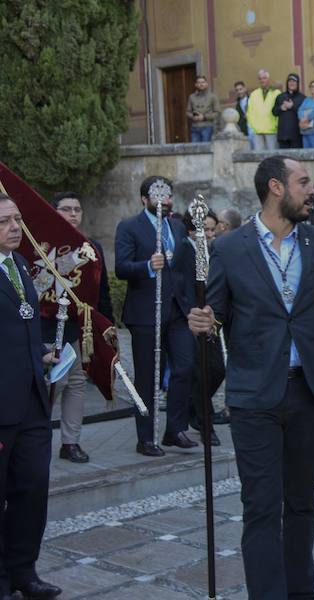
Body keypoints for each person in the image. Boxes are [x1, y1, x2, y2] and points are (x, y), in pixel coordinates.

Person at [187, 155, 314, 599]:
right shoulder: (229, 248)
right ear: (276, 188)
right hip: (253, 396)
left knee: (302, 504)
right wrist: (203, 324)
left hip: (308, 392)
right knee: (260, 508)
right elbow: (215, 316)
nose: (312, 189)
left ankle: (302, 593)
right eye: (303, 181)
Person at [0, 194, 63, 600]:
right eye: (4, 220)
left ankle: (24, 571)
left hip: (32, 403)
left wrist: (42, 353)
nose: (13, 227)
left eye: (17, 219)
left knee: (33, 489)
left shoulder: (20, 264)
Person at [114, 176, 196, 457]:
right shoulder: (129, 227)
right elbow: (122, 267)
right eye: (157, 195)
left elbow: (184, 268)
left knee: (185, 366)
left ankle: (174, 428)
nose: (164, 200)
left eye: (168, 195)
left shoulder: (176, 226)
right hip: (146, 312)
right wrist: (148, 266)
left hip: (177, 310)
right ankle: (145, 437)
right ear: (144, 199)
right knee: (148, 376)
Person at [43, 192, 114, 463]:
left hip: (77, 330)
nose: (73, 214)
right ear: (54, 212)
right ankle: (37, 441)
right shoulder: (42, 244)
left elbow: (102, 290)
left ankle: (70, 442)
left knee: (76, 385)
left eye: (77, 209)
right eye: (66, 209)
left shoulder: (91, 246)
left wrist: (106, 327)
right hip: (46, 329)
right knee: (53, 385)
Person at [179, 208, 223, 448]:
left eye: (211, 230)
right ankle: (205, 422)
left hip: (209, 319)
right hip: (189, 319)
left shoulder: (214, 251)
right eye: (204, 229)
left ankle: (193, 407)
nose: (208, 234)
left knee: (217, 370)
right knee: (201, 370)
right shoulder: (185, 250)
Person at [247, 69, 279, 150]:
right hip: (257, 132)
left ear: (268, 79)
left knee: (272, 156)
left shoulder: (276, 93)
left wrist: (276, 125)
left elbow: (279, 111)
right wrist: (253, 127)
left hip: (272, 130)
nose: (262, 80)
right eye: (260, 78)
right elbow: (250, 112)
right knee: (259, 157)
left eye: (264, 78)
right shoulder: (254, 94)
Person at [272, 73, 304, 149]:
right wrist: (281, 108)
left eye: (294, 81)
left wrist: (292, 106)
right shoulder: (280, 97)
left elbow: (304, 114)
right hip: (283, 135)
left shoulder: (302, 98)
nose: (291, 83)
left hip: (296, 135)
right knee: (283, 159)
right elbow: (274, 112)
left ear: (297, 83)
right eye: (290, 81)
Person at [186, 75, 219, 143]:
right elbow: (187, 112)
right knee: (194, 150)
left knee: (205, 149)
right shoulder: (191, 97)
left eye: (203, 82)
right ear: (196, 84)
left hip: (207, 127)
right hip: (195, 127)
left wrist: (204, 117)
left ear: (206, 84)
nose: (201, 84)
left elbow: (217, 112)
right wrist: (192, 116)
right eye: (199, 82)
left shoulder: (213, 97)